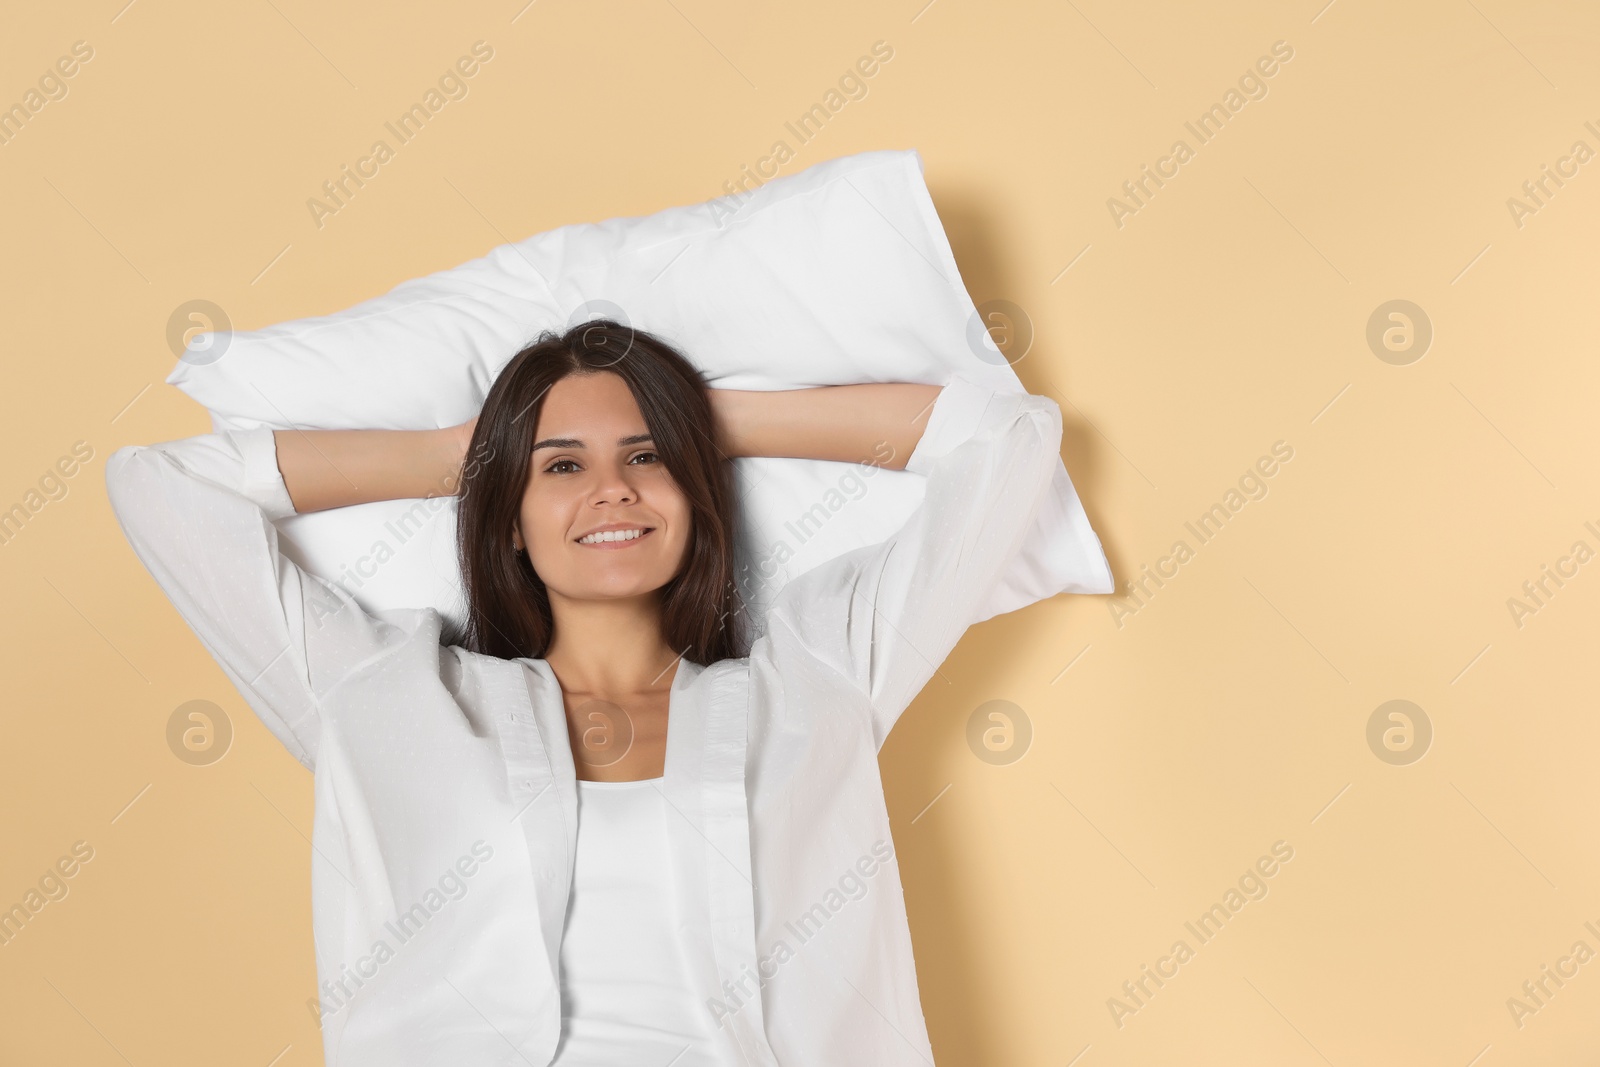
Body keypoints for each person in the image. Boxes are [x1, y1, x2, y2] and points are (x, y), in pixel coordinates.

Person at [105, 318, 1065, 1066]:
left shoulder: (820, 679)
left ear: (696, 492)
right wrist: (467, 455)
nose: (612, 488)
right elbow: (161, 485)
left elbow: (1008, 439)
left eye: (646, 459)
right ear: (509, 520)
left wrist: (702, 425)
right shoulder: (388, 696)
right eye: (562, 465)